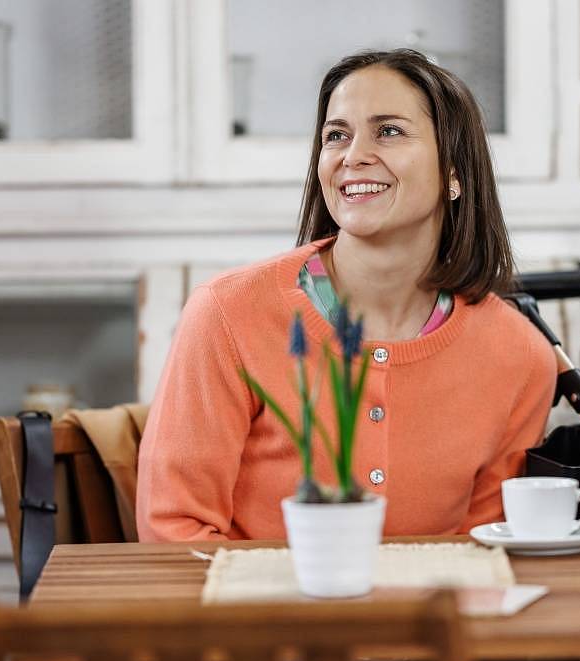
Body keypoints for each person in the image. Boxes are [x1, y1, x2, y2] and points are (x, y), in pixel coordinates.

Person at [136, 49, 556, 542]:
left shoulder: (521, 357)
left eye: (390, 131)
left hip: (422, 617)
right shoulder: (228, 314)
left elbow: (483, 550)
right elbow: (173, 526)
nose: (352, 156)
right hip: (251, 614)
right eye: (336, 135)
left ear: (454, 173)